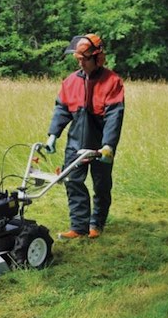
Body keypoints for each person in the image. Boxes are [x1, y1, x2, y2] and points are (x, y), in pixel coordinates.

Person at [45, 33, 124, 239]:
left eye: (84, 59)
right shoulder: (70, 81)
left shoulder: (112, 82)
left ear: (98, 57)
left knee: (101, 184)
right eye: (78, 59)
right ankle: (79, 227)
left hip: (100, 144)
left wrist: (108, 145)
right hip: (75, 141)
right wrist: (53, 135)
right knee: (73, 181)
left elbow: (114, 116)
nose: (81, 63)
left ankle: (96, 223)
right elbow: (62, 109)